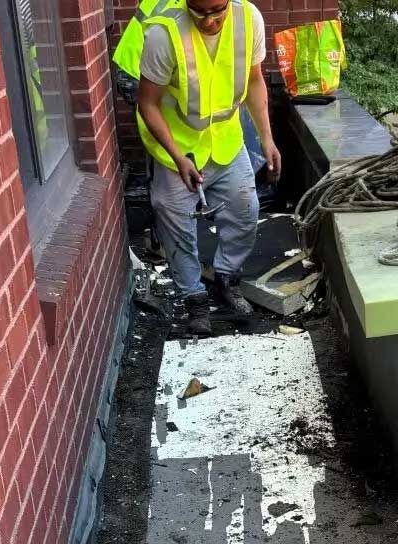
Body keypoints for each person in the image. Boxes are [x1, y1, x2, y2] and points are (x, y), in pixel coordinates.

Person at [115, 0, 281, 336]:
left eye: (217, 10)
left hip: (225, 141)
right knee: (176, 224)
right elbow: (147, 103)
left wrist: (267, 139)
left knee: (245, 211)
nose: (210, 20)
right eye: (200, 12)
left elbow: (254, 81)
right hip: (178, 146)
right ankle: (194, 298)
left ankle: (226, 279)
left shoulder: (249, 20)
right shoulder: (165, 34)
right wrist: (177, 158)